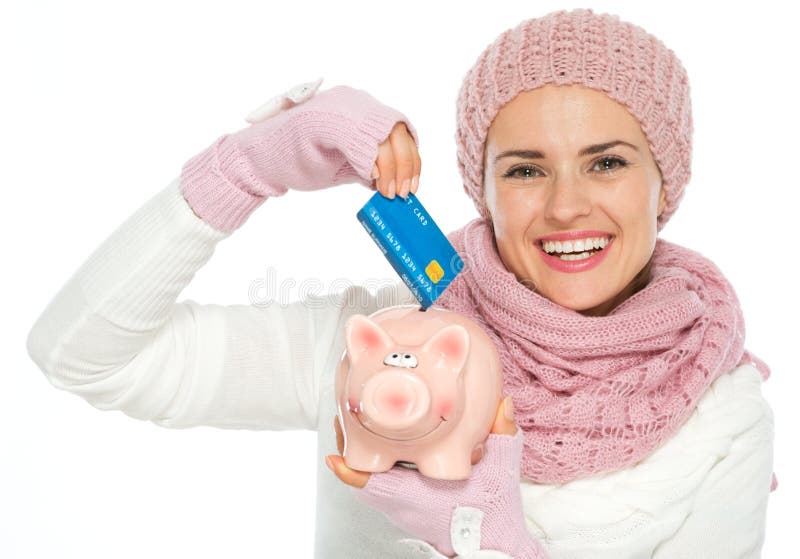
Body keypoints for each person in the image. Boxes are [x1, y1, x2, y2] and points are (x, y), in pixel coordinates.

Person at [25, 7, 775, 558]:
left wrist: (491, 541)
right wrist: (245, 168)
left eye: (607, 161)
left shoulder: (722, 418)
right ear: (481, 188)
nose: (566, 204)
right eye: (523, 169)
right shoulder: (377, 345)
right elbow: (84, 353)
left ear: (664, 181)